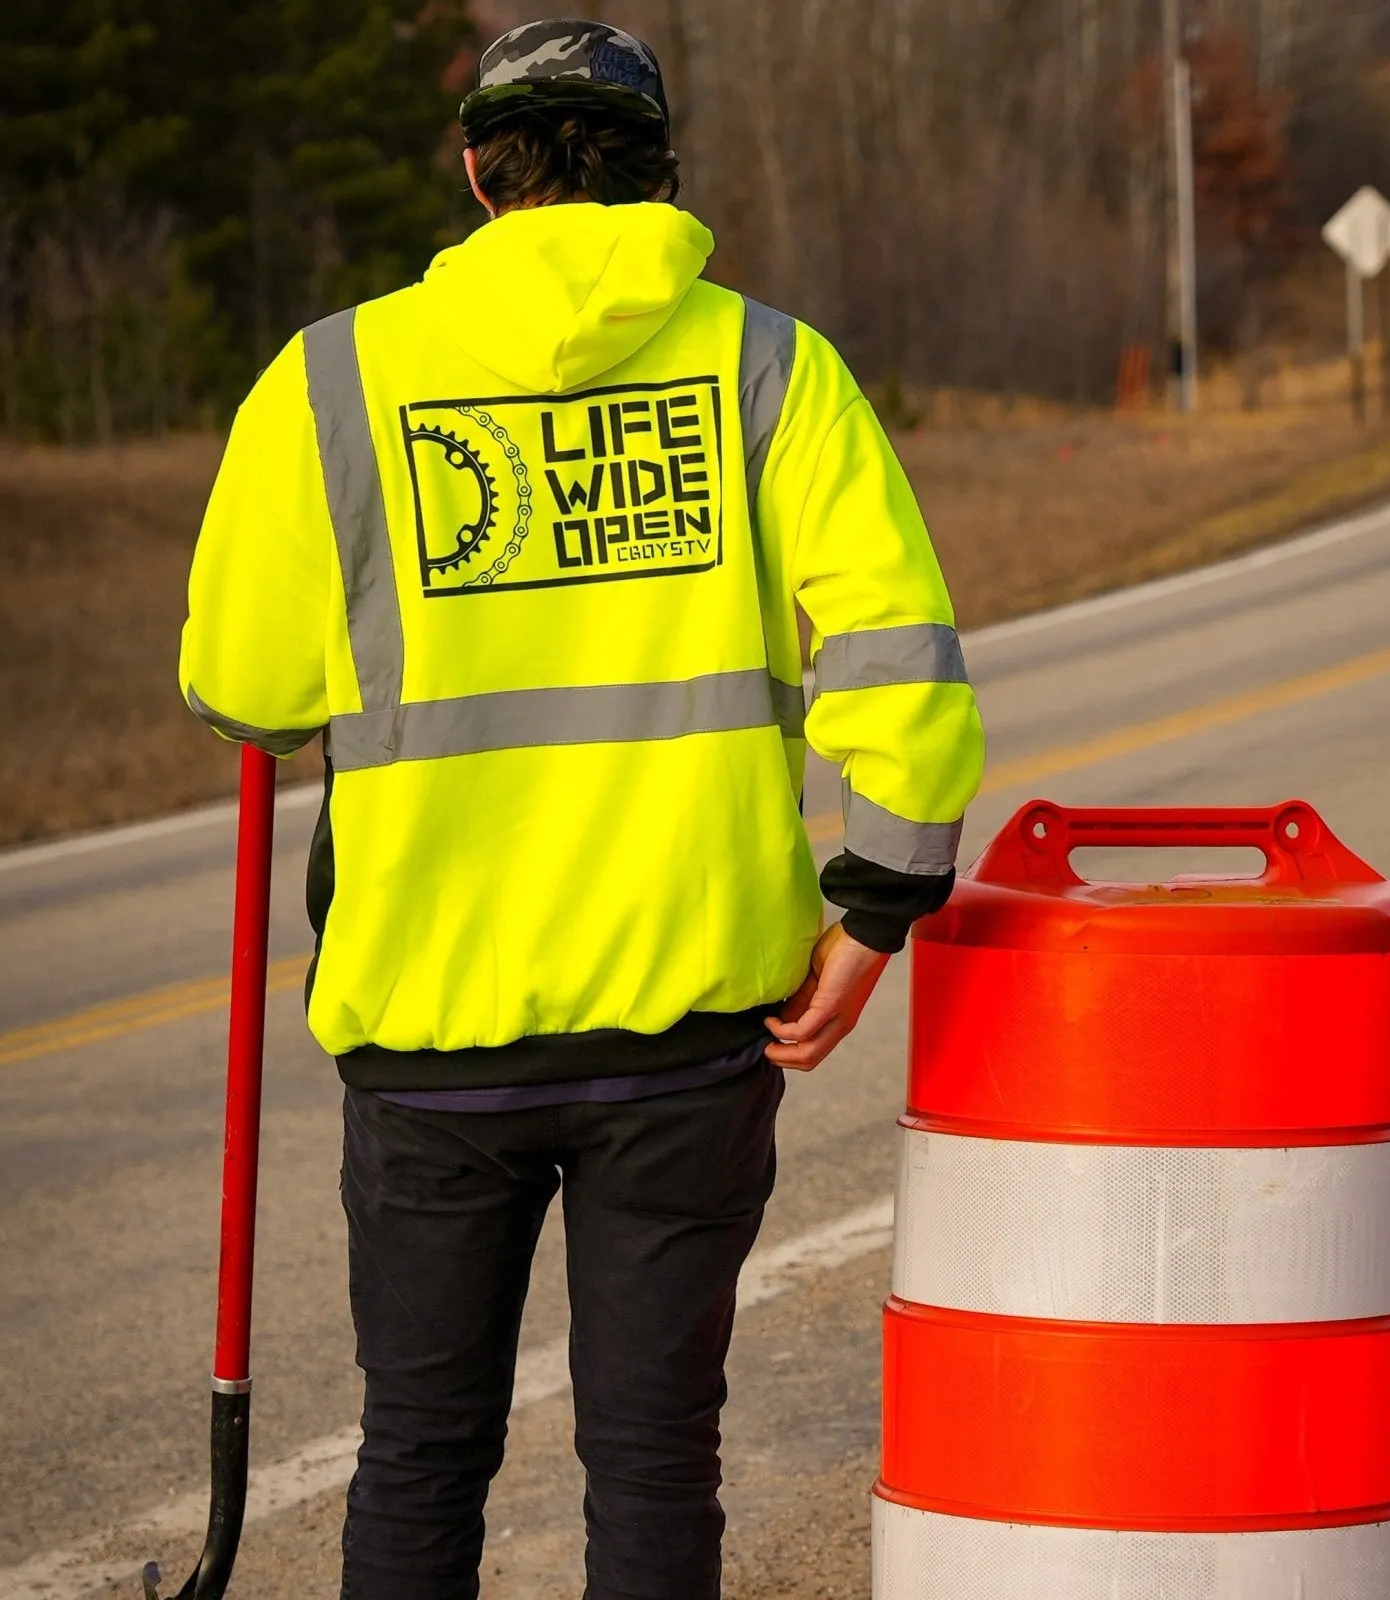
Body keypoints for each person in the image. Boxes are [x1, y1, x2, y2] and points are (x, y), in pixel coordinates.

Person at [178, 17, 984, 1600]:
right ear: (657, 172)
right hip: (688, 1023)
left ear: (478, 170)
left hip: (431, 1026)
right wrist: (878, 907)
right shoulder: (771, 366)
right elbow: (896, 655)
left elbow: (244, 689)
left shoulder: (334, 377)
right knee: (656, 1452)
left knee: (418, 1446)